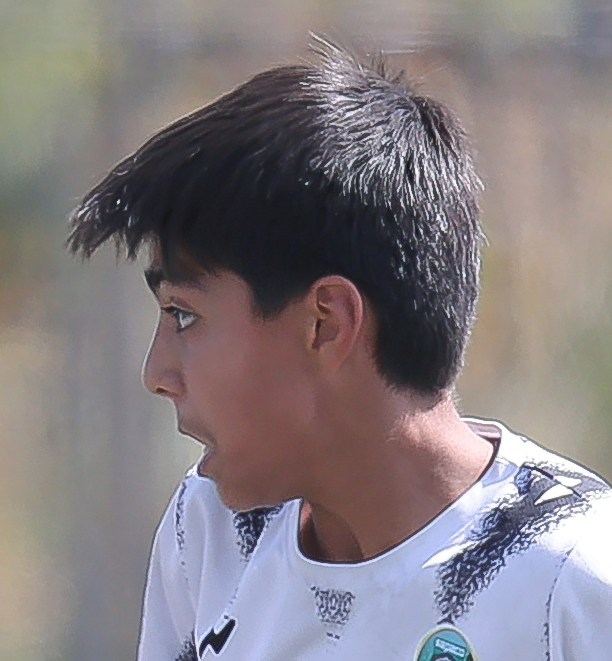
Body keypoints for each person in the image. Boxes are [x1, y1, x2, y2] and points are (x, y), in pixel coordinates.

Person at [67, 38, 612, 661]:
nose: (156, 373)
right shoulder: (209, 537)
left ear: (326, 323)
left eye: (183, 316)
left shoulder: (573, 580)